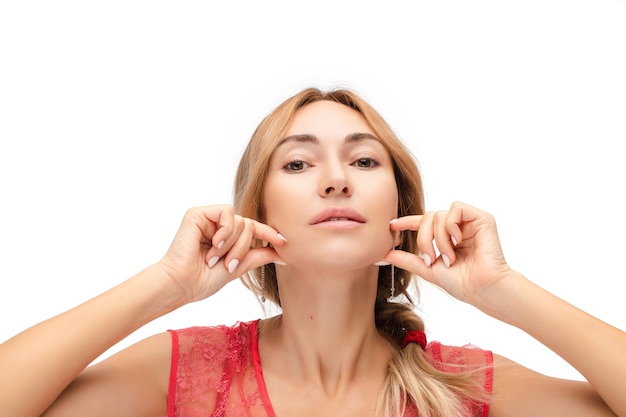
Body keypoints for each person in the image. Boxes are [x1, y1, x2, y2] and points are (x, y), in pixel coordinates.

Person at [0, 87, 624, 417]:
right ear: (259, 209)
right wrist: (167, 285)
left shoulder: (460, 385)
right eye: (298, 162)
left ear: (399, 210)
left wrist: (503, 291)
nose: (335, 179)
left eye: (363, 160)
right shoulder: (186, 371)